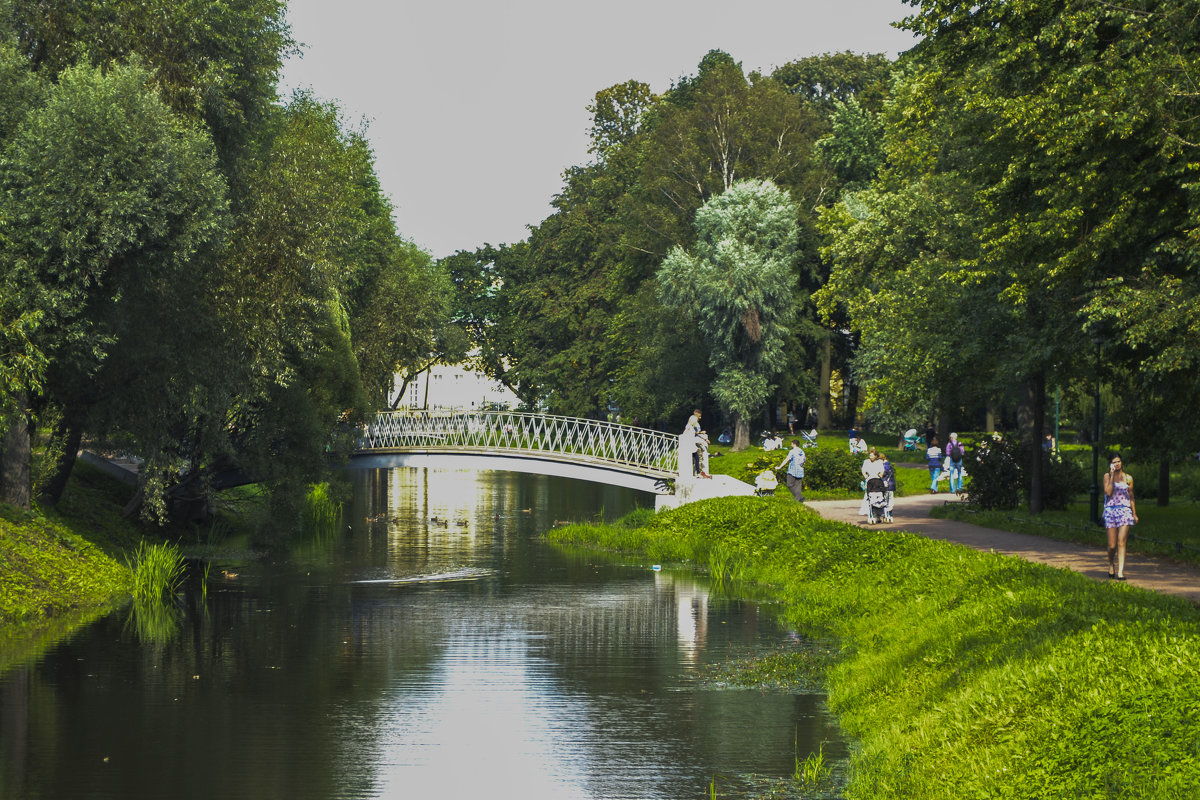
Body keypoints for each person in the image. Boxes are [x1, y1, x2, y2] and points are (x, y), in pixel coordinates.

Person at [1102, 452, 1138, 580]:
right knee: (1112, 545)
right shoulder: (1107, 476)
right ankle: (1111, 564)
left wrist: (1134, 513)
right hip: (1111, 511)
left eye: (1118, 461)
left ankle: (1121, 571)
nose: (1116, 464)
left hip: (1125, 511)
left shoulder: (1128, 478)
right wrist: (1111, 476)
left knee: (1121, 540)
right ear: (1110, 464)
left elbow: (1131, 496)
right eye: (1114, 462)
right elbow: (1108, 492)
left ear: (1121, 462)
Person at [859, 448, 885, 516]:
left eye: (872, 456)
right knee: (869, 495)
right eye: (870, 456)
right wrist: (865, 475)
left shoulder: (879, 462)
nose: (871, 457)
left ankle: (879, 511)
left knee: (879, 495)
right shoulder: (866, 462)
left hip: (877, 480)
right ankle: (869, 511)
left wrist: (881, 474)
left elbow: (882, 470)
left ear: (876, 456)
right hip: (869, 480)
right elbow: (863, 469)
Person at [880, 452, 896, 522]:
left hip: (886, 485)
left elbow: (883, 474)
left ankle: (885, 514)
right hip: (891, 485)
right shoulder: (889, 465)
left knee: (885, 500)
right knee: (890, 500)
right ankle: (889, 514)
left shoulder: (885, 465)